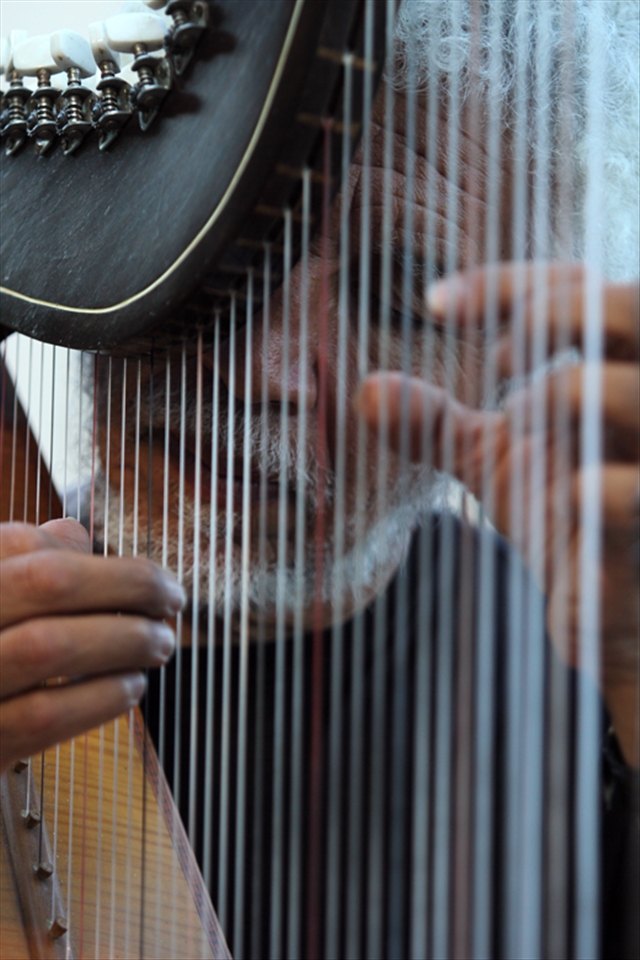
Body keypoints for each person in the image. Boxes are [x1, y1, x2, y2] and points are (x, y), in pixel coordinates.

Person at [1, 0, 638, 956]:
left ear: (511, 380)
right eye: (223, 253)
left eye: (398, 298)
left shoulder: (594, 686)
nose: (262, 370)